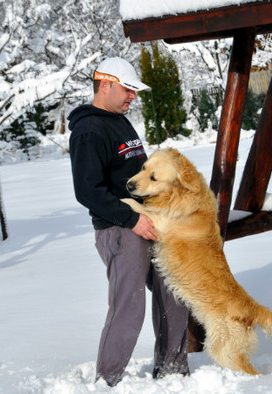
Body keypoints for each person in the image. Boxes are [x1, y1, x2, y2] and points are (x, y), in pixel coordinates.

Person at [67, 57, 190, 387]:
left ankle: (172, 372)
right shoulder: (88, 130)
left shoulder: (120, 121)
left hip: (150, 222)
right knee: (129, 306)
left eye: (135, 91)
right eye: (128, 89)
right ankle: (107, 381)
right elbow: (87, 191)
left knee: (175, 293)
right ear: (104, 85)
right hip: (120, 229)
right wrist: (131, 219)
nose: (133, 97)